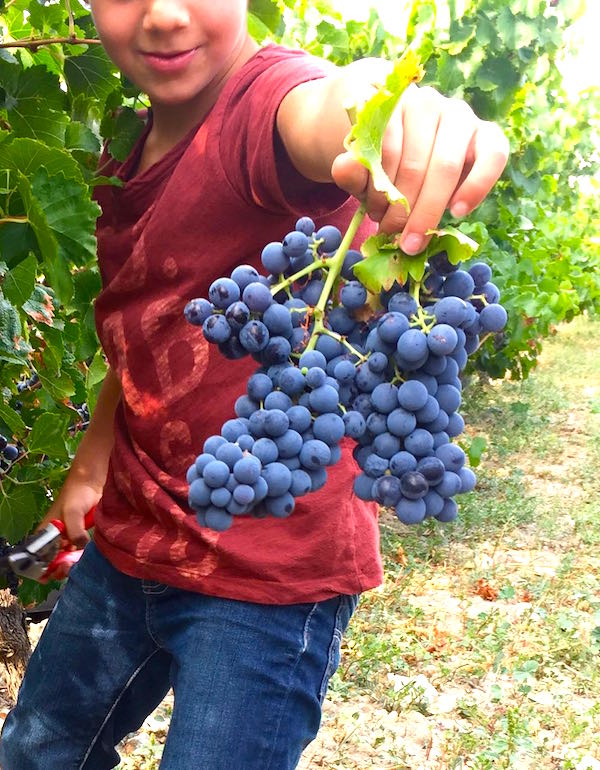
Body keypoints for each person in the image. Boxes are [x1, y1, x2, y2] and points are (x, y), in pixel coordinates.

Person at [0, 1, 509, 768]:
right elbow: (143, 329)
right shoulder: (121, 152)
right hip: (133, 538)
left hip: (269, 579)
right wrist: (90, 468)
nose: (164, 16)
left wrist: (388, 114)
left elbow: (325, 114)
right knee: (36, 753)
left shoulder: (262, 108)